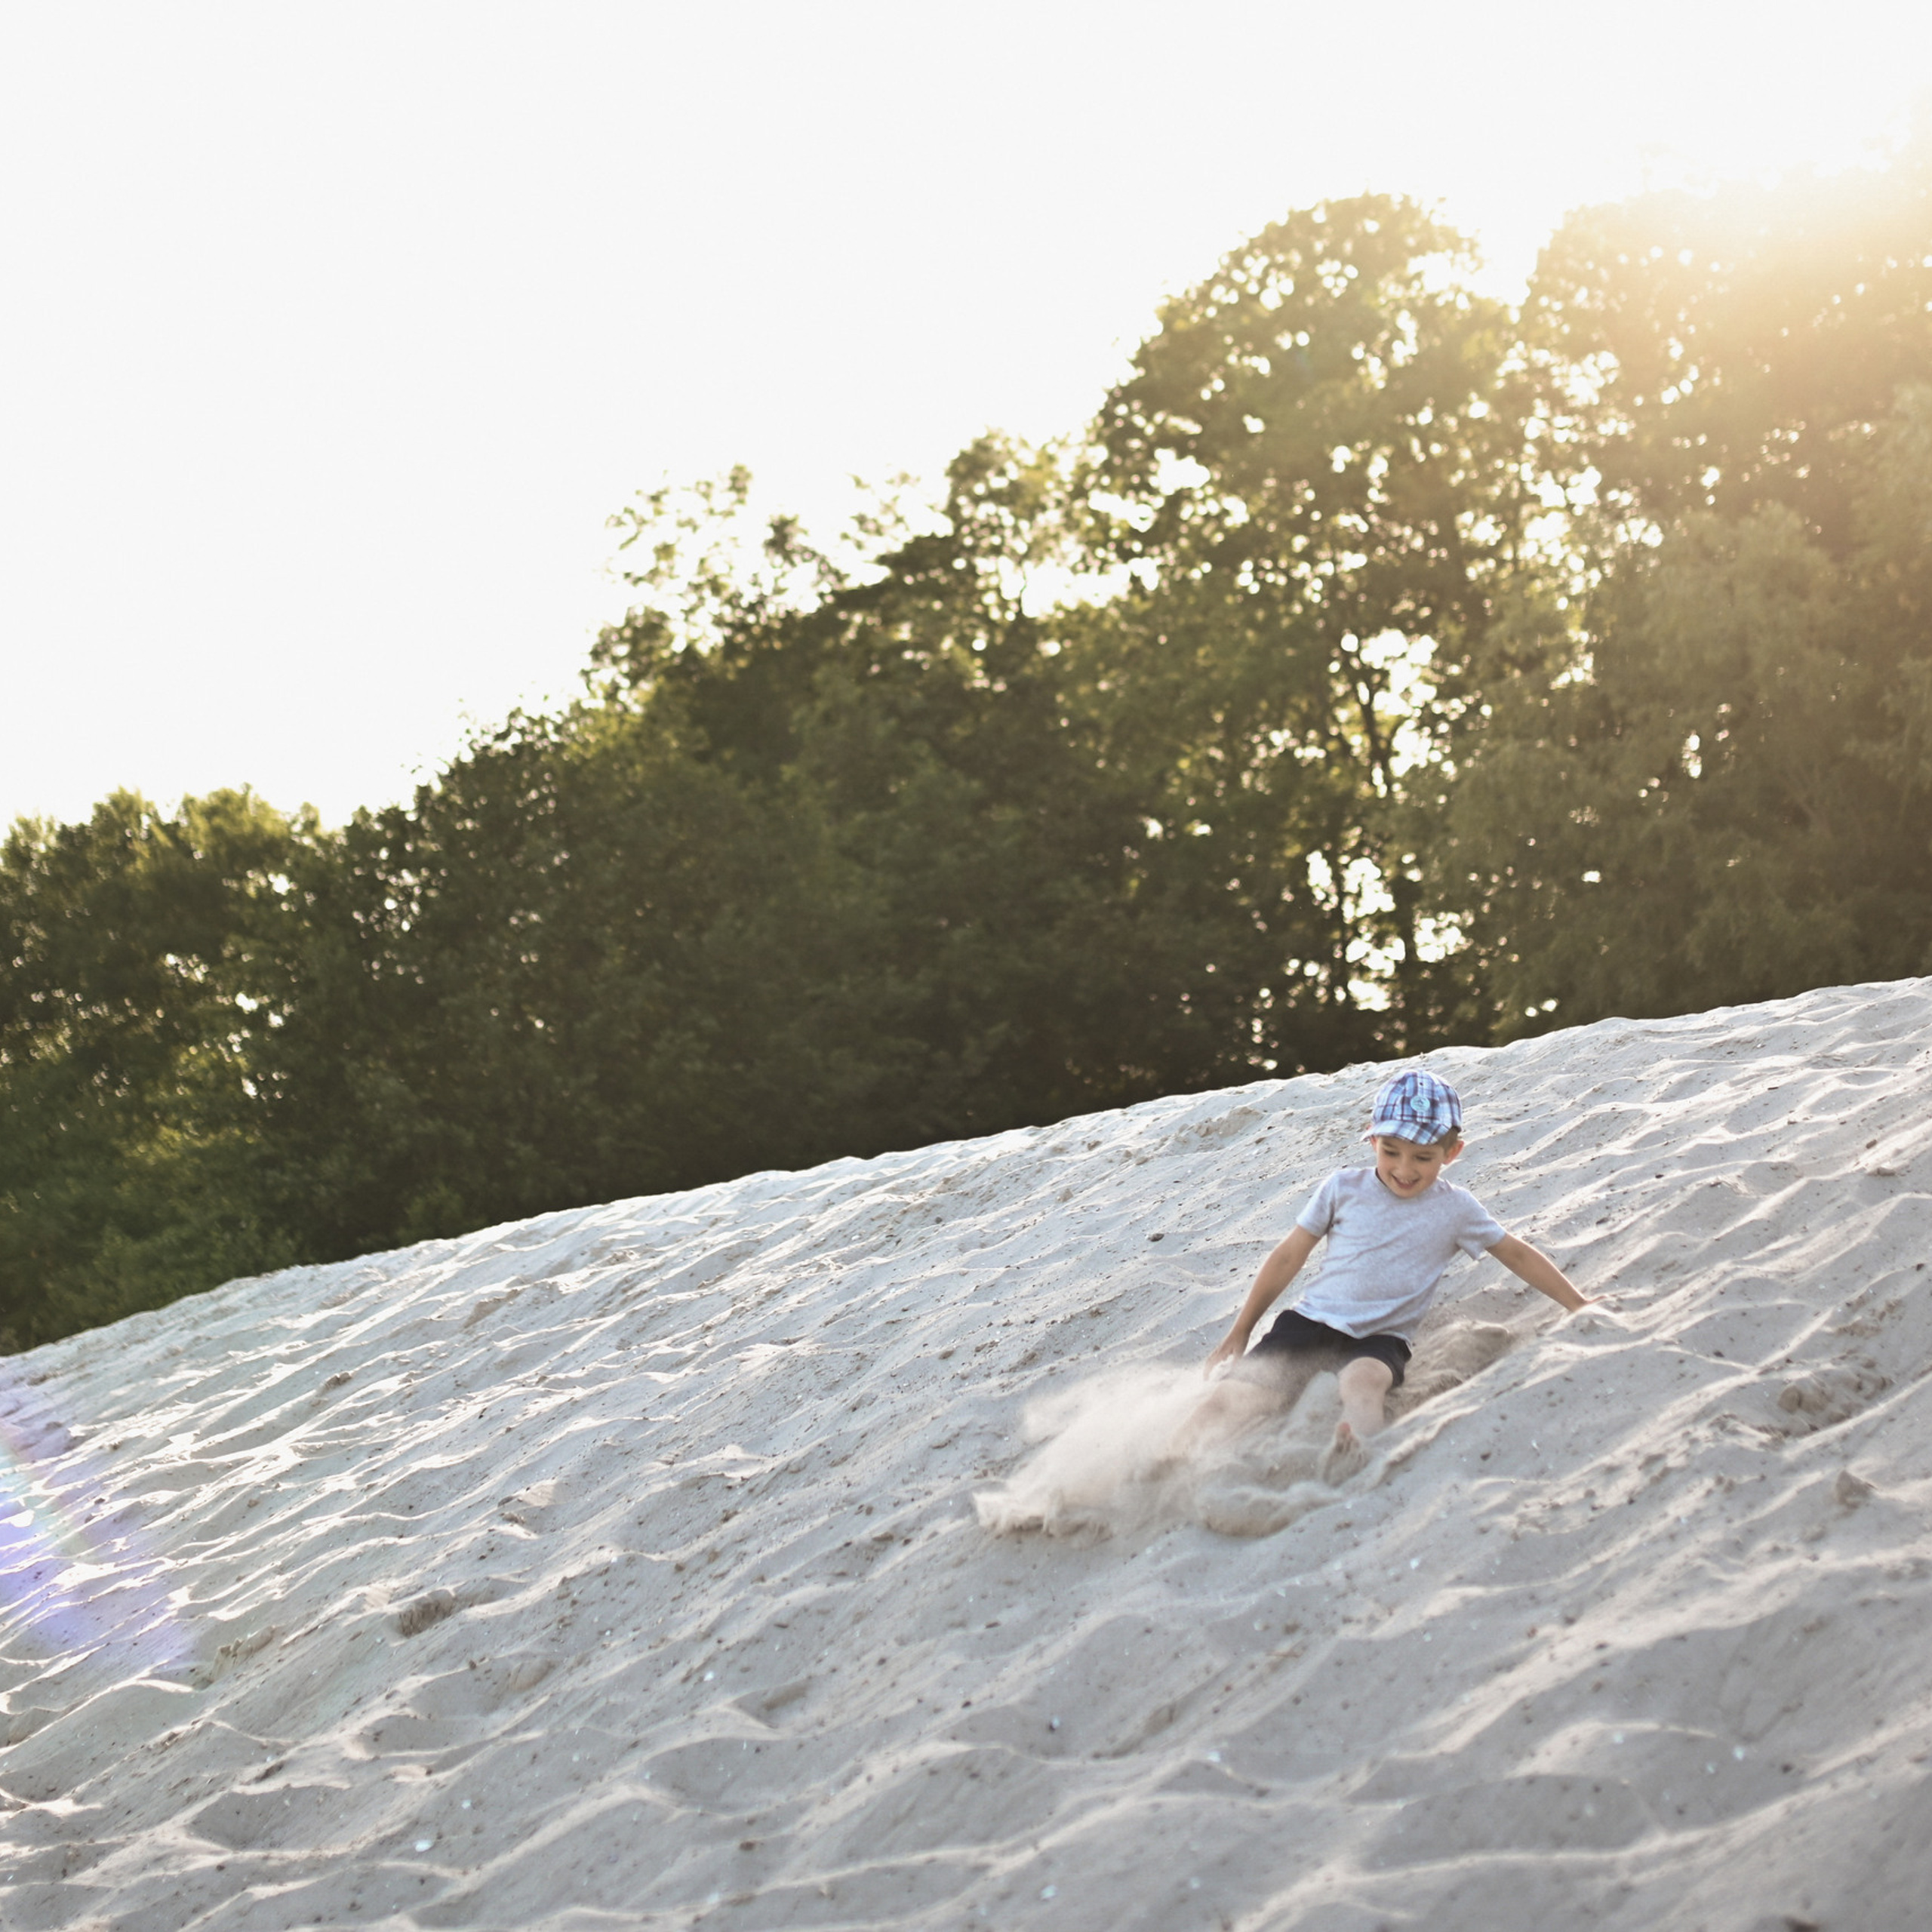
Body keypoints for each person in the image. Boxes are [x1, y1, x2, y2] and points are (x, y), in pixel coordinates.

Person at [1177, 1068, 1592, 1481]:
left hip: (1382, 1339)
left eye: (1424, 1157)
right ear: (1372, 1139)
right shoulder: (1342, 1188)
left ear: (1452, 1153)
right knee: (1237, 1396)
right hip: (1310, 1324)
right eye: (1391, 1151)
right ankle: (1167, 1460)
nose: (1405, 1169)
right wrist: (1241, 1330)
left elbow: (1516, 1254)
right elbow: (1288, 1257)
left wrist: (1578, 1305)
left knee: (1364, 1386)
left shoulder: (1458, 1209)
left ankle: (1358, 1461)